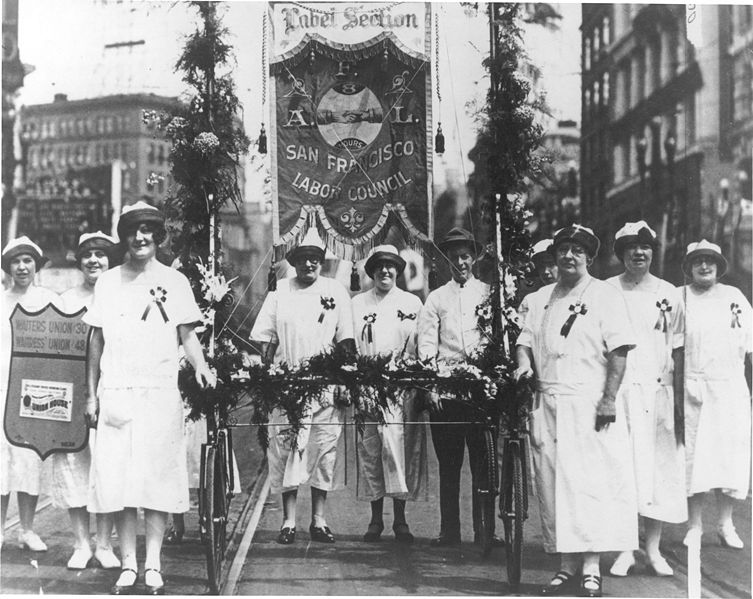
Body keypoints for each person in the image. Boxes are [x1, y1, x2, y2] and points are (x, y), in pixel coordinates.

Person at [84, 202, 215, 595]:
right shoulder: (108, 282)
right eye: (132, 230)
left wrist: (201, 366)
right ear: (124, 236)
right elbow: (95, 339)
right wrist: (91, 396)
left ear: (158, 235)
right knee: (122, 482)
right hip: (118, 391)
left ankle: (153, 564)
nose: (140, 237)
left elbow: (187, 334)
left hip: (159, 392)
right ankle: (128, 564)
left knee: (155, 480)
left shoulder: (175, 282)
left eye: (147, 230)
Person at [515, 224, 637, 598]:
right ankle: (566, 565)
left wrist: (608, 399)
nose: (569, 256)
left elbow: (619, 352)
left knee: (587, 485)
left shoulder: (605, 296)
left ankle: (590, 567)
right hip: (547, 402)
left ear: (589, 257)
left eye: (577, 251)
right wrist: (522, 364)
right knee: (552, 485)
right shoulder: (539, 298)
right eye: (563, 249)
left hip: (588, 403)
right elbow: (524, 341)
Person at [250, 228, 354, 545]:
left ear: (321, 262)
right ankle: (288, 521)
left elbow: (346, 340)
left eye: (314, 259)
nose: (309, 264)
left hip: (325, 385)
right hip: (287, 384)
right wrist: (264, 381)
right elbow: (265, 341)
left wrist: (345, 381)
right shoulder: (280, 291)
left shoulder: (335, 290)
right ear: (294, 263)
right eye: (303, 259)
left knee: (324, 449)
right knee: (285, 451)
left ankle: (319, 520)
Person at [606, 221, 687, 577]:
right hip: (622, 393)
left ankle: (653, 549)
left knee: (657, 473)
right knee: (624, 471)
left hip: (658, 392)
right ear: (621, 254)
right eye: (631, 248)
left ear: (653, 252)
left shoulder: (671, 293)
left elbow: (680, 348)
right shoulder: (607, 291)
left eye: (645, 247)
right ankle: (625, 549)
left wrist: (679, 400)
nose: (639, 253)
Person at [417, 227, 501, 547]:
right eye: (454, 258)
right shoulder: (436, 298)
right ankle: (449, 531)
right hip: (447, 390)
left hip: (480, 389)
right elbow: (427, 346)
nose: (461, 262)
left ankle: (486, 532)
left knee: (484, 464)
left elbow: (495, 340)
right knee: (449, 465)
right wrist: (432, 386)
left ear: (474, 258)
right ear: (447, 261)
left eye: (465, 256)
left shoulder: (489, 293)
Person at [351, 245, 428, 544]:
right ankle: (374, 519)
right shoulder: (358, 304)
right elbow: (349, 345)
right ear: (371, 270)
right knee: (371, 450)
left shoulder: (412, 303)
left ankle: (400, 519)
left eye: (391, 265)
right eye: (379, 265)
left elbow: (422, 344)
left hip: (403, 387)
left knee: (401, 451)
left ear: (398, 269)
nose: (385, 270)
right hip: (369, 386)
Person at [54, 232, 121, 569]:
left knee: (108, 468)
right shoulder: (65, 301)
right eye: (87, 255)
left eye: (101, 254)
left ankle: (105, 544)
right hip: (69, 398)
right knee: (72, 467)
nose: (94, 260)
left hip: (111, 393)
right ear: (78, 261)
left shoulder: (121, 296)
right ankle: (81, 542)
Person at [681, 240, 751, 549]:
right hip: (694, 386)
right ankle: (694, 525)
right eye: (698, 261)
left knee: (728, 455)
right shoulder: (680, 297)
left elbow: (749, 345)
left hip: (730, 386)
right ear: (690, 266)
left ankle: (725, 523)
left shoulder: (734, 297)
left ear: (718, 266)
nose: (704, 266)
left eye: (710, 260)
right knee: (694, 457)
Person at [0, 237, 61, 551]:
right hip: (0, 388)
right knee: (1, 461)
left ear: (36, 265)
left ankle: (26, 528)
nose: (22, 267)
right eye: (15, 261)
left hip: (34, 391)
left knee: (29, 458)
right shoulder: (0, 300)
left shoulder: (49, 300)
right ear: (8, 267)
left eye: (27, 261)